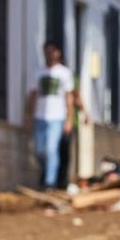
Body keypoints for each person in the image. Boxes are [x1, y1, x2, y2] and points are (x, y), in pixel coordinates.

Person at [26, 42, 75, 191]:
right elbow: (33, 95)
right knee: (40, 151)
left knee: (52, 149)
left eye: (52, 51)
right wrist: (28, 115)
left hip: (57, 117)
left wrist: (69, 119)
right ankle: (46, 175)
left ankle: (50, 183)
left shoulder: (64, 73)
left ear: (58, 53)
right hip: (40, 117)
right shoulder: (38, 72)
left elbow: (69, 97)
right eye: (46, 51)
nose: (49, 54)